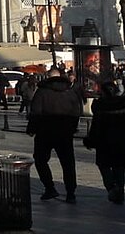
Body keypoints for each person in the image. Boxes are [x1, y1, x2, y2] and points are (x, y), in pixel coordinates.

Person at [28, 65, 83, 203]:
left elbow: (35, 112)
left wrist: (32, 128)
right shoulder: (70, 92)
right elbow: (76, 112)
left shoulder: (42, 92)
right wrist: (72, 127)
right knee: (68, 163)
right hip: (65, 132)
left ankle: (50, 187)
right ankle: (71, 192)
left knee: (40, 160)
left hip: (45, 132)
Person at [83, 80, 125, 204]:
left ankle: (111, 187)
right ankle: (119, 192)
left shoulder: (100, 107)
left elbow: (95, 127)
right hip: (122, 142)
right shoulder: (123, 105)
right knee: (119, 168)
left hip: (104, 143)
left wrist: (91, 141)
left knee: (104, 166)